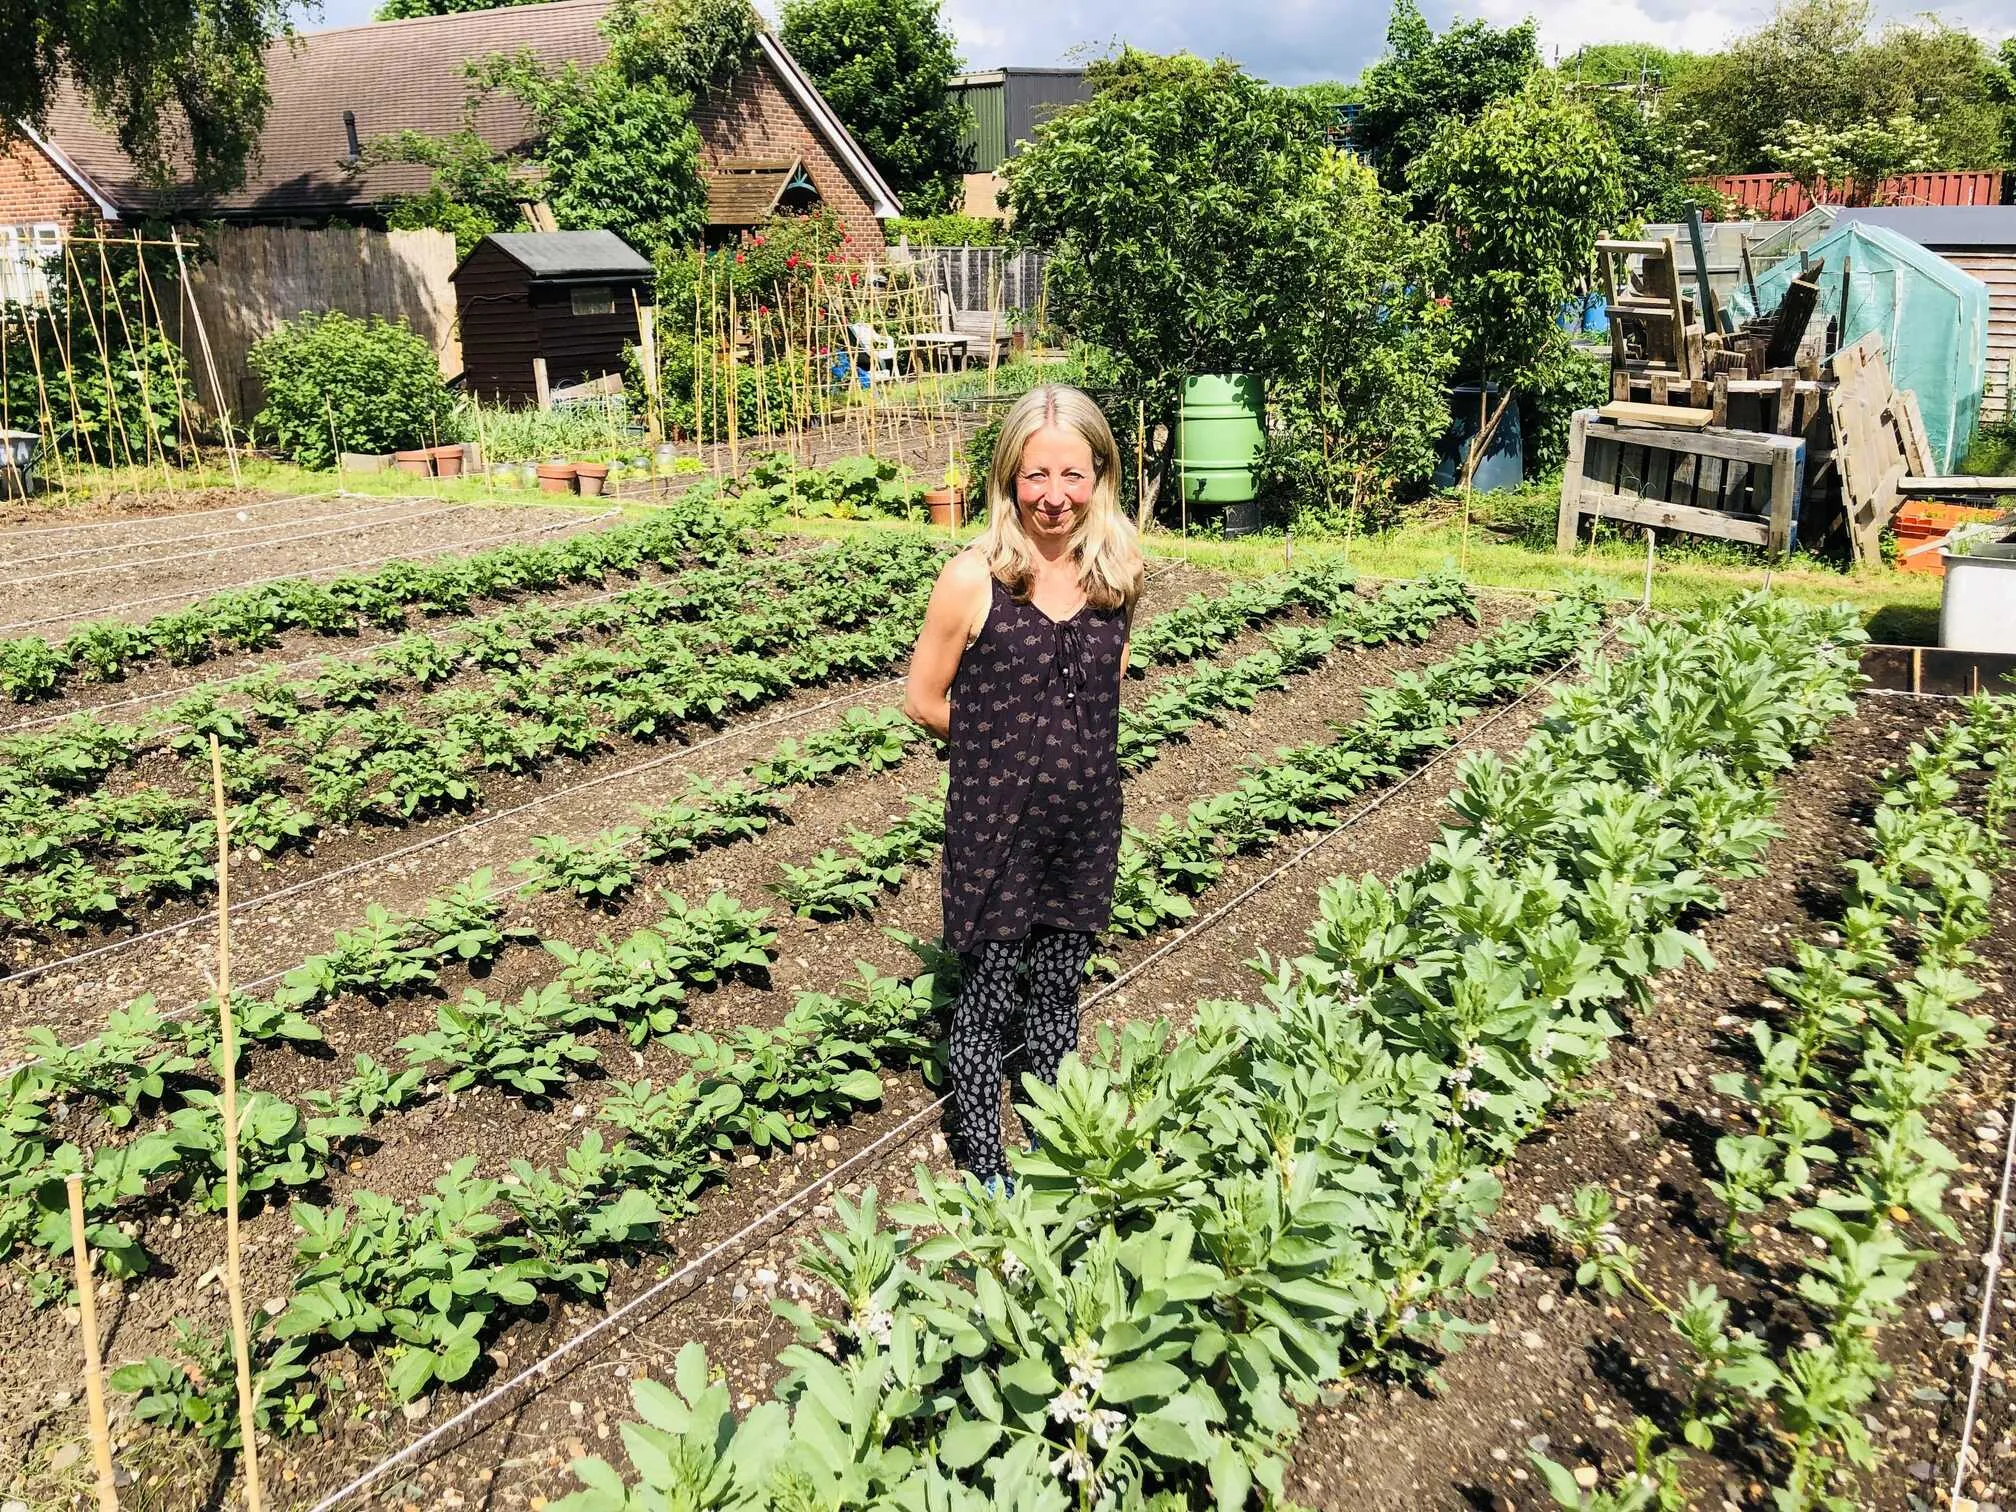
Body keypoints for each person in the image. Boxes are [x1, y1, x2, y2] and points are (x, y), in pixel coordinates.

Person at [902, 385, 1144, 1193]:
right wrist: (1005, 752)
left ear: (1100, 474)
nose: (1054, 496)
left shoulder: (1119, 570)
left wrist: (1067, 758)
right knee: (984, 1000)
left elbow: (1107, 680)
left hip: (1085, 827)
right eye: (1036, 474)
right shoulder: (973, 579)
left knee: (1058, 995)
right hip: (996, 830)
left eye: (1072, 474)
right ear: (1009, 477)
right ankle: (985, 1165)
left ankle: (1050, 1139)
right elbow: (923, 699)